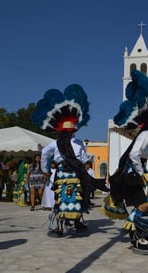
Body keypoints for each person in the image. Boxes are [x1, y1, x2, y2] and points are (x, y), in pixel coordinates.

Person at [101, 69, 148, 254]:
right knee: (143, 206)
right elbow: (134, 154)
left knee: (143, 206)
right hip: (132, 175)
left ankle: (140, 235)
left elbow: (139, 154)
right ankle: (138, 239)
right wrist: (142, 173)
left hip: (133, 173)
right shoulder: (147, 134)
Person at [33, 83, 108, 236]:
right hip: (76, 174)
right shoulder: (79, 143)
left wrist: (46, 170)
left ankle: (59, 226)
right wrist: (84, 169)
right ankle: (78, 222)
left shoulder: (55, 143)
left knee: (59, 197)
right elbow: (84, 160)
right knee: (77, 196)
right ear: (74, 130)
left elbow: (45, 154)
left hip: (61, 174)